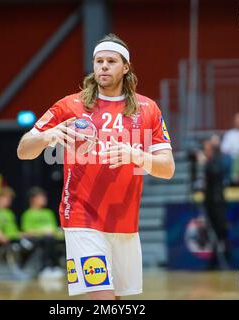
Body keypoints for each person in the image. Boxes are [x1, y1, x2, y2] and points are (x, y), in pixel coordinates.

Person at [17, 34, 174, 299]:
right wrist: (48, 136)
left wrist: (136, 155)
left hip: (124, 221)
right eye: (98, 61)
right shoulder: (69, 105)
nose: (103, 66)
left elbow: (167, 168)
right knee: (102, 299)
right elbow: (24, 150)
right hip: (81, 216)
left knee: (116, 300)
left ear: (126, 67)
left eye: (111, 61)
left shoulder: (148, 109)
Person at [21, 187, 63, 278]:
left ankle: (56, 267)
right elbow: (27, 231)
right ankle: (47, 267)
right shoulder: (28, 214)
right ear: (33, 199)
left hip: (52, 238)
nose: (44, 199)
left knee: (52, 239)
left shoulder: (48, 213)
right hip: (38, 239)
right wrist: (43, 231)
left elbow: (53, 228)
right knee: (47, 239)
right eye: (41, 197)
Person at [202, 139, 230, 270]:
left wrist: (205, 163)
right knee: (212, 231)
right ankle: (214, 260)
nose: (205, 151)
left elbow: (216, 172)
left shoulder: (217, 161)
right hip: (210, 202)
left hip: (217, 202)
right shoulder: (210, 162)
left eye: (207, 149)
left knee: (220, 231)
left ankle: (225, 259)